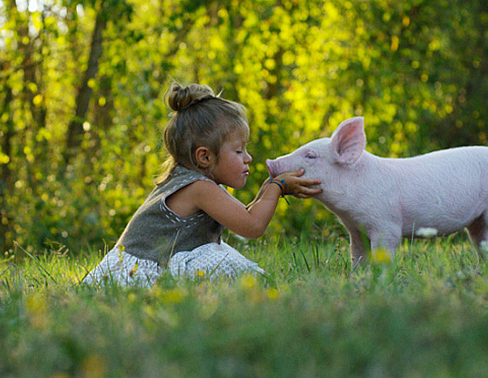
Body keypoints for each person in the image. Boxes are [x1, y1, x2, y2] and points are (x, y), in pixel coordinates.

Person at [83, 83, 321, 287]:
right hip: (139, 274)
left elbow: (244, 214)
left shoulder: (193, 181)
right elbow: (251, 226)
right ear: (205, 157)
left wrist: (271, 186)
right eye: (238, 150)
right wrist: (276, 187)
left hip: (157, 262)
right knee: (226, 266)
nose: (248, 157)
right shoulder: (199, 188)